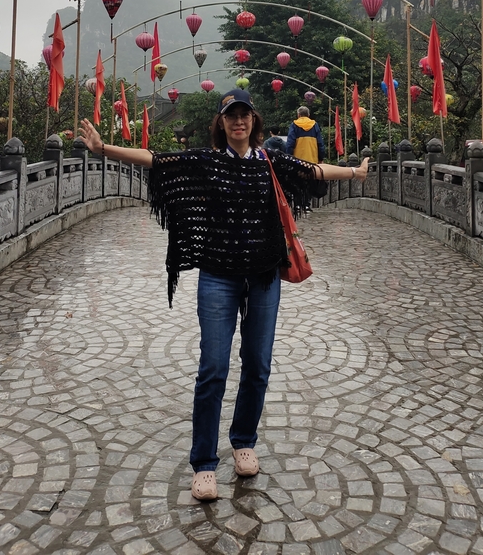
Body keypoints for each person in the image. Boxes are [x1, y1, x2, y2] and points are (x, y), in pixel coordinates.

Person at [78, 88, 368, 502]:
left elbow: (314, 170)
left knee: (258, 365)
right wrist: (104, 148)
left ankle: (244, 441)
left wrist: (354, 172)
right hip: (218, 277)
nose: (239, 121)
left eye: (244, 114)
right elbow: (156, 160)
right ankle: (204, 463)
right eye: (231, 115)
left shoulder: (270, 161)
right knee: (213, 367)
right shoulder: (207, 161)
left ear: (254, 120)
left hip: (263, 276)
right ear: (222, 122)